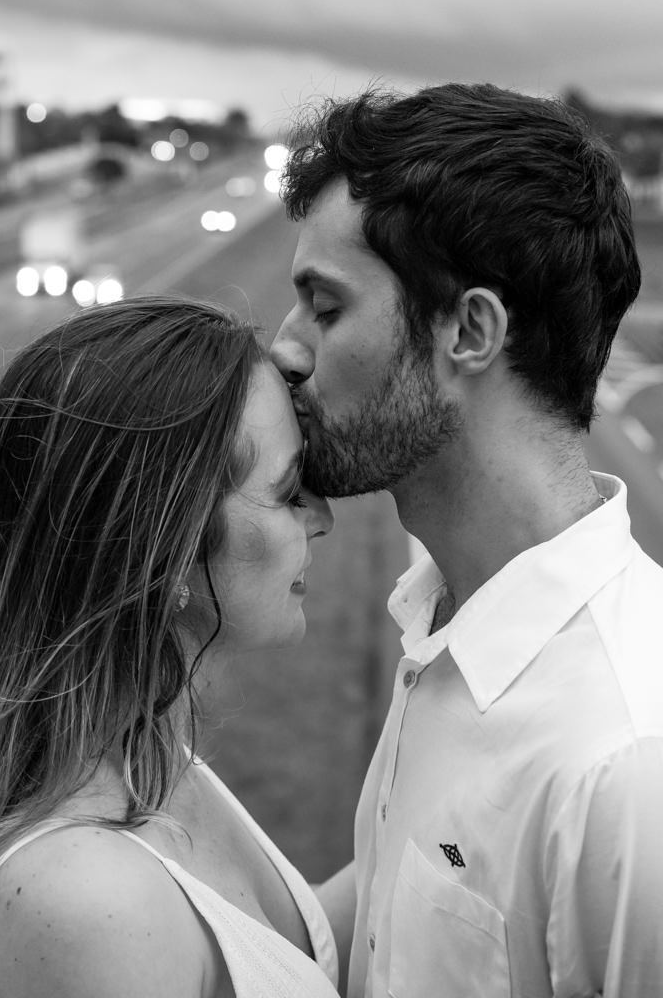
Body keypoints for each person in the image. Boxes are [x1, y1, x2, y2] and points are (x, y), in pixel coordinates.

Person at [270, 82, 663, 997]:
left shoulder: (628, 762)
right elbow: (383, 918)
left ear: (470, 330)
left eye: (325, 308)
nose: (285, 351)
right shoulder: (452, 630)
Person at [0, 295, 339, 998]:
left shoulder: (147, 758)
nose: (322, 519)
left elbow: (279, 958)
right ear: (168, 550)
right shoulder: (88, 908)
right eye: (290, 490)